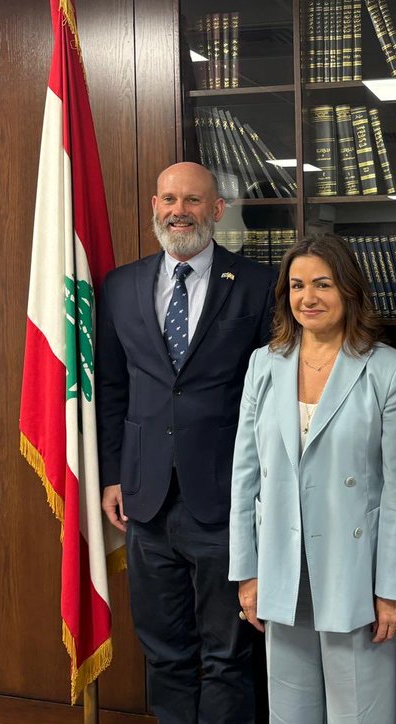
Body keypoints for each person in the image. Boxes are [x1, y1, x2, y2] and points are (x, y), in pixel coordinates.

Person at [97, 162, 276, 724]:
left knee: (228, 654)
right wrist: (111, 474)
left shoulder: (258, 284)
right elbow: (112, 388)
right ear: (155, 206)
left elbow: (271, 394)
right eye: (170, 200)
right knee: (164, 651)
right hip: (145, 500)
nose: (180, 211)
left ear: (217, 210)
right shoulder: (121, 285)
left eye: (193, 200)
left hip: (224, 500)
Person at [230, 233, 396, 724]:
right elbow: (245, 477)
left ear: (349, 290)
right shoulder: (263, 364)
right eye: (297, 286)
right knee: (289, 714)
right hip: (281, 570)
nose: (308, 298)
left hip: (356, 575)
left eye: (323, 284)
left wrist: (392, 589)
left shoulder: (388, 370)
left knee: (360, 715)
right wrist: (247, 572)